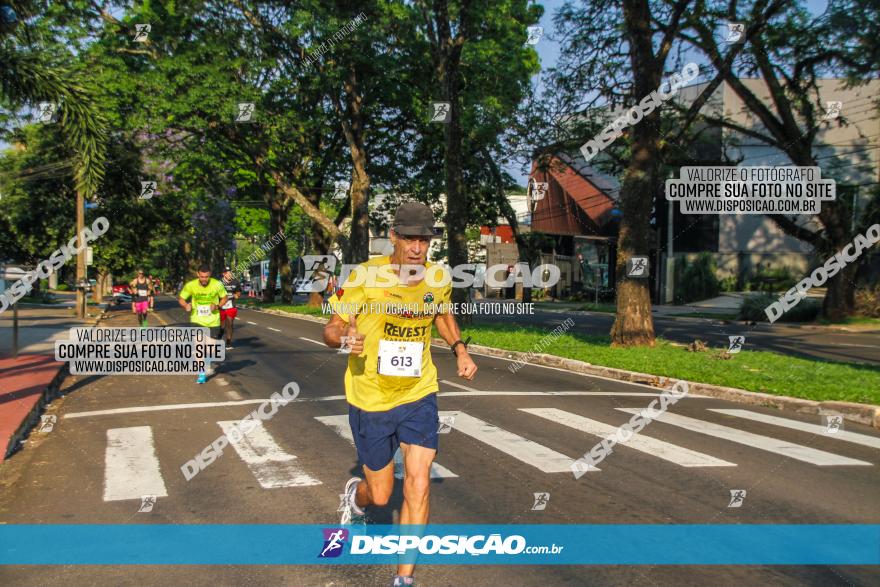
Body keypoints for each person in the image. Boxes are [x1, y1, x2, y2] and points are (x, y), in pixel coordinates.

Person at [323, 202, 477, 587]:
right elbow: (331, 328)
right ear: (393, 237)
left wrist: (459, 348)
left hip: (418, 390)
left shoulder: (438, 277)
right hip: (370, 395)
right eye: (409, 238)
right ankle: (354, 501)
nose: (416, 247)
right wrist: (345, 337)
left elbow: (441, 313)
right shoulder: (364, 276)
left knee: (419, 481)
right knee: (379, 494)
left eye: (423, 240)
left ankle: (403, 579)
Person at [178, 264, 228, 384]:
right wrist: (186, 305)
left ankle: (206, 363)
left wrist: (217, 306)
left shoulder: (217, 284)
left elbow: (225, 297)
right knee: (199, 345)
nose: (204, 279)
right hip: (197, 320)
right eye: (202, 277)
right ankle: (201, 372)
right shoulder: (191, 285)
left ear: (210, 274)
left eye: (206, 277)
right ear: (198, 275)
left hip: (213, 320)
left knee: (210, 350)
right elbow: (181, 298)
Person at [219, 266, 242, 350]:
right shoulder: (219, 283)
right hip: (221, 306)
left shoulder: (235, 282)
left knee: (230, 323)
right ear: (224, 274)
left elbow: (238, 292)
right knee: (223, 325)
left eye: (230, 273)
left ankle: (228, 343)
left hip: (231, 306)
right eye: (228, 273)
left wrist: (237, 295)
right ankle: (221, 333)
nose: (229, 274)